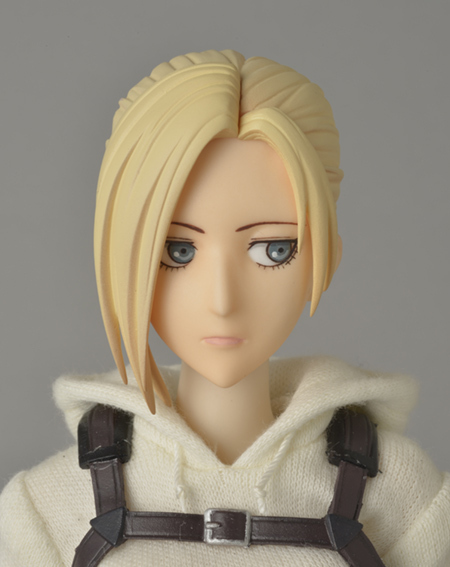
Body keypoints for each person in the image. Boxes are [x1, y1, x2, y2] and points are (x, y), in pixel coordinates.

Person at [0, 49, 449, 566]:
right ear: (122, 256)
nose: (222, 300)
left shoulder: (405, 500)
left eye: (273, 250)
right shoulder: (51, 506)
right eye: (178, 251)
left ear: (327, 256)